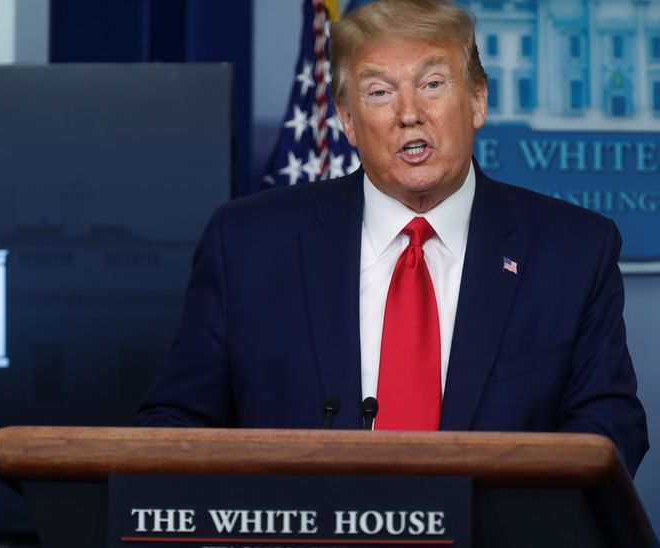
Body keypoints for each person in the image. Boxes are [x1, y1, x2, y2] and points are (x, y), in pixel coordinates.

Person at [137, 0, 648, 477]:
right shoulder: (248, 245)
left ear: (477, 101)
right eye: (379, 92)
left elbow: (610, 423)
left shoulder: (572, 251)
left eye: (432, 84)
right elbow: (178, 421)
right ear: (348, 120)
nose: (409, 113)